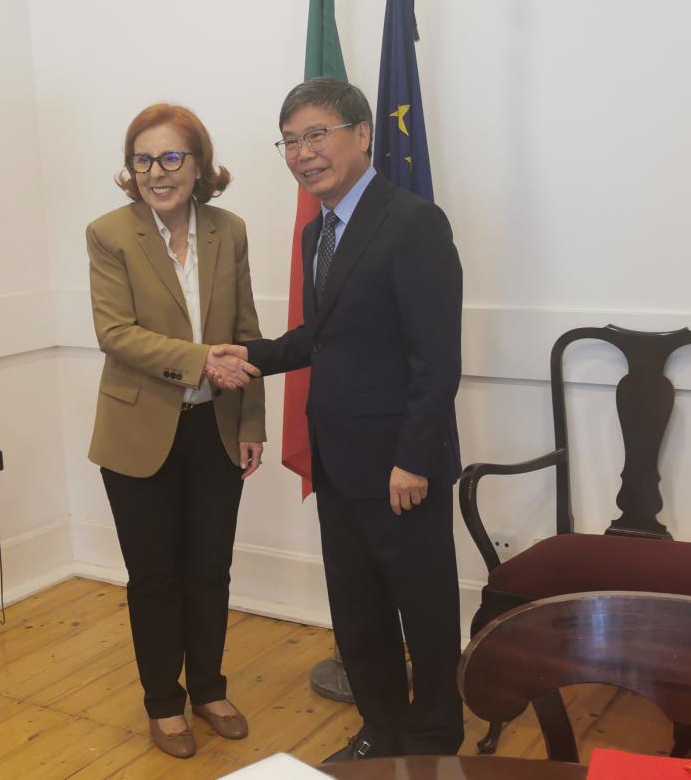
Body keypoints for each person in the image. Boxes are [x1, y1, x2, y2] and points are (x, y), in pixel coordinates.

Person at [215, 77, 465, 759]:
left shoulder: (413, 223)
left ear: (361, 134)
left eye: (315, 135)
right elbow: (322, 338)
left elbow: (436, 359)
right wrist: (251, 355)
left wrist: (413, 458)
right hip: (337, 460)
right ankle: (381, 733)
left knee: (425, 611)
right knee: (357, 612)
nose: (303, 153)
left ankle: (435, 741)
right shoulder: (315, 232)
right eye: (289, 141)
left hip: (400, 468)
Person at [85, 102, 265, 760]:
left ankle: (210, 690)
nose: (156, 172)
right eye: (142, 159)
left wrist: (252, 421)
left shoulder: (228, 229)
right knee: (154, 576)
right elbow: (116, 333)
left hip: (215, 427)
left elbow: (246, 332)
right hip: (138, 433)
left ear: (198, 164)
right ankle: (163, 702)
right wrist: (201, 361)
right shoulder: (109, 233)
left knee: (209, 569)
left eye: (170, 157)